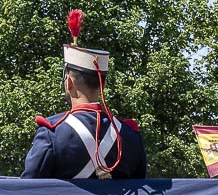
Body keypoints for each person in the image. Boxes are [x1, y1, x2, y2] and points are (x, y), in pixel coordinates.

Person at [22, 10, 147, 179]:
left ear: (69, 83)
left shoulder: (53, 133)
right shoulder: (130, 135)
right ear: (104, 84)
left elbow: (28, 190)